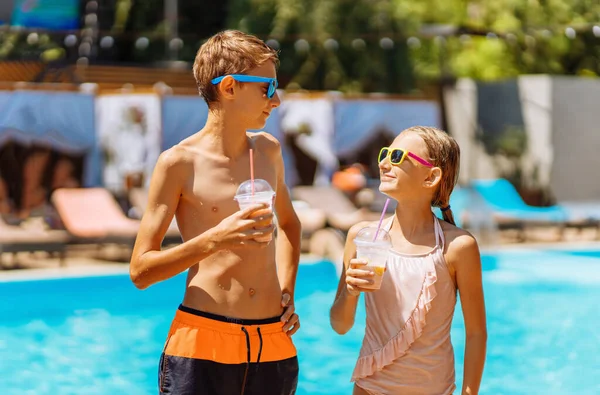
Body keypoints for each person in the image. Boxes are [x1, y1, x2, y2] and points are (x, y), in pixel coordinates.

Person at [129, 30, 302, 395]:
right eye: (268, 88)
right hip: (202, 340)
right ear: (229, 87)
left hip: (272, 338)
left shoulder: (267, 151)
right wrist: (214, 239)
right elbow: (141, 271)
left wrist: (287, 291)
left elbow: (289, 224)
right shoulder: (178, 163)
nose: (278, 99)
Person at [330, 126, 487, 395]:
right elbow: (340, 325)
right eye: (385, 153)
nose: (383, 162)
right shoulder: (363, 237)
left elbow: (476, 334)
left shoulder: (457, 247)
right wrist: (351, 292)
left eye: (397, 156)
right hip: (369, 388)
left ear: (430, 177)